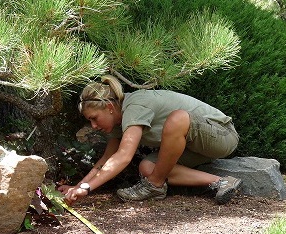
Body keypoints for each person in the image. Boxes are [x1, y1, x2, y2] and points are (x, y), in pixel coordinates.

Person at [59, 75, 242, 205]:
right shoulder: (117, 123)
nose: (93, 126)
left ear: (109, 107)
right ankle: (222, 182)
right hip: (193, 148)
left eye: (94, 118)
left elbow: (124, 156)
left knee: (177, 118)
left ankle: (154, 186)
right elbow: (107, 160)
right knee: (148, 168)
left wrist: (87, 189)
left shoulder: (135, 105)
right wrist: (78, 186)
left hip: (222, 135)